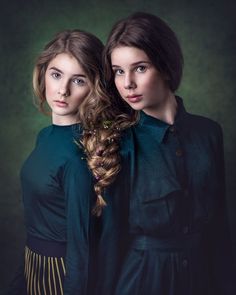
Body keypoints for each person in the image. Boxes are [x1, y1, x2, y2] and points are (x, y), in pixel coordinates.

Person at [97, 12, 236, 295]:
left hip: (202, 277)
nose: (127, 84)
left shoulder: (209, 133)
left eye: (140, 68)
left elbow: (219, 228)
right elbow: (111, 237)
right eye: (119, 71)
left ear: (166, 65)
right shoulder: (122, 143)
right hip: (141, 280)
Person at [7, 29, 123, 295]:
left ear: (94, 88)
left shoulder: (77, 155)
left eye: (78, 80)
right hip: (33, 265)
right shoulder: (45, 136)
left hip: (64, 274)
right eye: (56, 74)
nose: (62, 90)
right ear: (43, 72)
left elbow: (80, 244)